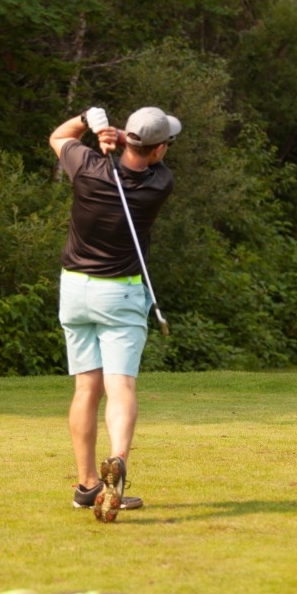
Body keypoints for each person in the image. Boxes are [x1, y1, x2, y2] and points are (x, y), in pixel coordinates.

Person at [49, 104, 181, 522]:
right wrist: (119, 135)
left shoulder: (88, 168)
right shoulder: (160, 183)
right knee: (120, 386)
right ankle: (118, 460)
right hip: (120, 294)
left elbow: (58, 136)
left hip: (75, 289)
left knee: (86, 389)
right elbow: (143, 154)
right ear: (158, 150)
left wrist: (91, 121)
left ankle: (87, 485)